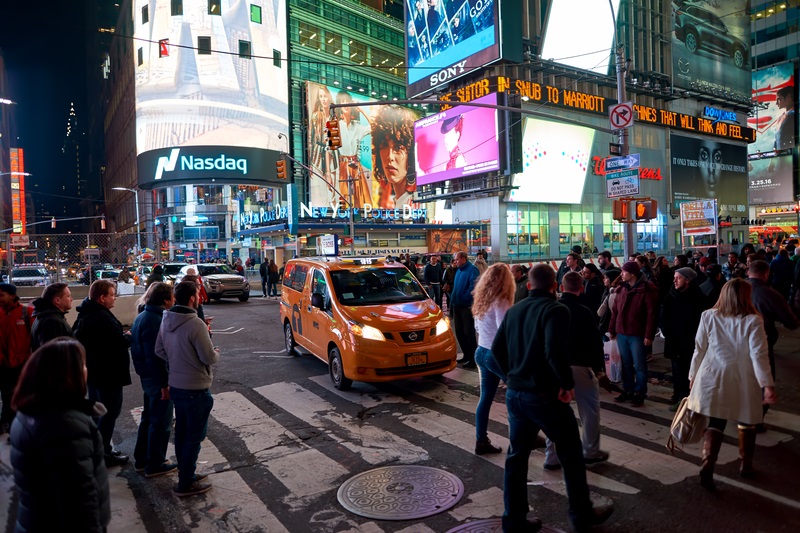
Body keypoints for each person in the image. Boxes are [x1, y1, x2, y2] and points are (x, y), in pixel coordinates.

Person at [492, 264, 613, 532]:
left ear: (530, 285)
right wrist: (565, 384)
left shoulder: (515, 310)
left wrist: (511, 376)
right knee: (571, 453)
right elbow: (554, 350)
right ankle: (581, 514)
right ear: (554, 286)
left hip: (516, 394)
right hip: (544, 394)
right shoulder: (556, 310)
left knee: (516, 456)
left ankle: (514, 519)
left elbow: (496, 350)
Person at [9, 338, 111, 532]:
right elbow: (80, 497)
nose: (86, 370)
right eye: (82, 365)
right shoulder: (66, 426)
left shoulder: (29, 412)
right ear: (67, 375)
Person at [688, 279, 775, 490]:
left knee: (716, 422)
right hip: (743, 377)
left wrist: (692, 376)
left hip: (713, 375)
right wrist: (768, 384)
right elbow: (759, 354)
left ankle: (707, 465)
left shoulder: (708, 315)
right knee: (747, 420)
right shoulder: (753, 320)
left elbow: (699, 348)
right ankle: (746, 465)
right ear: (746, 296)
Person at [155, 281, 219, 497]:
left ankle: (186, 473)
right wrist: (215, 352)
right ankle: (186, 482)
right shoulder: (196, 323)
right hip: (195, 386)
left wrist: (178, 360)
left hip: (177, 385)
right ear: (192, 298)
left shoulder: (166, 318)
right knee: (193, 436)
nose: (200, 298)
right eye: (198, 295)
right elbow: (208, 357)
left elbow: (159, 350)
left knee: (182, 432)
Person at [543, 272, 609, 470]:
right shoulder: (584, 311)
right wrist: (599, 368)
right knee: (589, 411)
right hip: (581, 367)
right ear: (581, 288)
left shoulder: (550, 309)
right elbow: (596, 342)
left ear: (561, 287)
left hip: (554, 368)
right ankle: (590, 452)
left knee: (554, 413)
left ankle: (551, 456)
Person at [72, 280, 132, 468]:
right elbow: (115, 342)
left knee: (100, 413)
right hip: (108, 374)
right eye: (112, 295)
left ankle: (100, 448)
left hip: (96, 373)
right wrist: (128, 337)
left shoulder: (86, 314)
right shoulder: (100, 317)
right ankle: (103, 453)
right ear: (102, 298)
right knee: (108, 413)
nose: (115, 298)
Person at [131, 282, 177, 478]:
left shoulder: (143, 316)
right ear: (165, 300)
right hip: (156, 379)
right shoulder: (155, 320)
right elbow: (156, 356)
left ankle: (142, 459)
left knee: (149, 418)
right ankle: (155, 463)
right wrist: (164, 384)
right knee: (160, 421)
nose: (174, 300)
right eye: (172, 297)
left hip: (147, 377)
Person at [747, 260, 798, 429]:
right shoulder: (769, 294)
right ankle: (755, 418)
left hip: (736, 342)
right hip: (761, 340)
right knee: (763, 377)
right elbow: (790, 321)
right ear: (766, 273)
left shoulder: (737, 289)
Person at [471, 264, 514, 455]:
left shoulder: (481, 299)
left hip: (481, 351)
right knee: (518, 394)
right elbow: (505, 332)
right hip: (495, 355)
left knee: (485, 398)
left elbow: (479, 329)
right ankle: (522, 437)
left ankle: (481, 440)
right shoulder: (501, 301)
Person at [608, 261, 658, 407]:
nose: (621, 274)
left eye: (624, 271)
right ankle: (628, 390)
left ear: (632, 273)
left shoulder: (646, 289)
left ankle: (640, 393)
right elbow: (615, 312)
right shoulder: (622, 289)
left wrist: (649, 335)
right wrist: (612, 329)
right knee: (626, 364)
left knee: (640, 365)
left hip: (637, 334)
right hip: (622, 333)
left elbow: (652, 314)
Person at [660, 267, 707, 411]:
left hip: (687, 342)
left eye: (678, 277)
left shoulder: (696, 297)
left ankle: (685, 400)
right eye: (674, 277)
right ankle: (678, 395)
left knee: (686, 371)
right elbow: (664, 314)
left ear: (688, 280)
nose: (674, 280)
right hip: (674, 340)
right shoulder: (672, 294)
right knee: (677, 370)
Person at [0, 283, 32, 436]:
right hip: (3, 364)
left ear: (12, 296)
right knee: (7, 396)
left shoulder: (26, 313)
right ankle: (7, 423)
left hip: (21, 365)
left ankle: (16, 428)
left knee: (17, 397)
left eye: (1, 295)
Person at [372, 105, 417, 209]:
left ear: (410, 153)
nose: (390, 156)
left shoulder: (417, 203)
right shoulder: (401, 201)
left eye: (397, 147)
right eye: (384, 146)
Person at [336, 91, 374, 208]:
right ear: (339, 106)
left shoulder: (357, 126)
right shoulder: (336, 125)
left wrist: (361, 110)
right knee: (344, 198)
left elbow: (373, 126)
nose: (346, 104)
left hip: (355, 166)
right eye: (343, 102)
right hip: (343, 166)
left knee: (359, 200)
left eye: (348, 101)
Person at [308, 84, 338, 202]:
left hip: (332, 159)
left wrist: (329, 171)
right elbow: (311, 139)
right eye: (321, 97)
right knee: (321, 194)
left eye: (325, 96)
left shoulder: (333, 117)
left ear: (329, 97)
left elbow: (332, 144)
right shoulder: (315, 116)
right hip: (317, 158)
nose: (323, 99)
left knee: (332, 194)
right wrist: (310, 162)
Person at [450, 251, 480, 368]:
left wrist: (464, 298)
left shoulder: (472, 270)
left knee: (469, 334)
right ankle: (466, 355)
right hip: (457, 305)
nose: (455, 262)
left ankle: (473, 358)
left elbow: (474, 287)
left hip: (466, 307)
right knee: (460, 332)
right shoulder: (459, 270)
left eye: (457, 260)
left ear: (463, 258)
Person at [30, 282, 73, 351]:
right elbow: (52, 354)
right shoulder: (52, 321)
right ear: (57, 300)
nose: (71, 299)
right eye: (68, 296)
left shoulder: (44, 317)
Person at [597, 269, 621, 336]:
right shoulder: (606, 290)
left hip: (609, 324)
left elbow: (600, 312)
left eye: (606, 278)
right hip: (604, 323)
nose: (604, 280)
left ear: (612, 278)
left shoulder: (614, 293)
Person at [773, 85, 795, 150]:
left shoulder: (793, 114)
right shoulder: (781, 117)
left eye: (779, 99)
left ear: (788, 97)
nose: (777, 103)